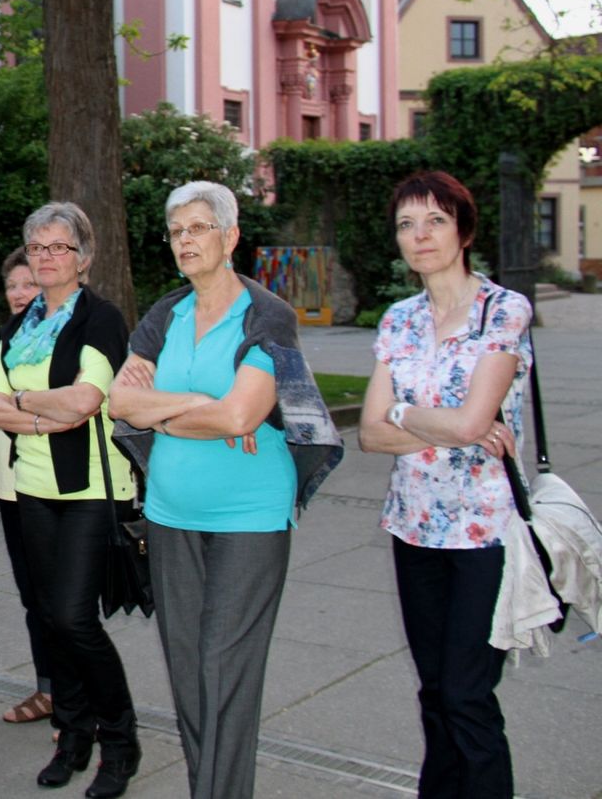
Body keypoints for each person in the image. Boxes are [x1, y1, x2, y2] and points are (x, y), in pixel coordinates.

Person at [109, 180, 339, 799]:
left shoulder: (268, 315)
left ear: (231, 236)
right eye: (177, 230)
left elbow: (242, 417)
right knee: (188, 676)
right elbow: (120, 401)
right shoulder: (166, 314)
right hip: (168, 513)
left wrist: (168, 410)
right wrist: (195, 402)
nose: (186, 240)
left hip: (248, 518)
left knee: (225, 672)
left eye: (199, 227)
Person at [358, 171, 530, 799]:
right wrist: (442, 426)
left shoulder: (502, 310)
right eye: (407, 223)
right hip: (413, 525)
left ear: (462, 228)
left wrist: (405, 414)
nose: (420, 235)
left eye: (434, 219)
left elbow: (468, 421)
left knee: (467, 693)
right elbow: (369, 436)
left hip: (485, 531)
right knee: (435, 690)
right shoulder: (399, 320)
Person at [0, 205, 138, 797]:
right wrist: (40, 413)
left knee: (74, 617)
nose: (46, 257)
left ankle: (119, 742)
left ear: (84, 257)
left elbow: (85, 402)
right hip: (34, 487)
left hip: (91, 488)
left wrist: (23, 405)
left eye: (59, 247)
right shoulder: (22, 326)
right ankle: (73, 737)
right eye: (37, 247)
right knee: (51, 618)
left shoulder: (100, 319)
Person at [0, 248, 53, 727]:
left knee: (57, 599)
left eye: (29, 284)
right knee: (34, 597)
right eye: (13, 286)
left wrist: (15, 409)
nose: (20, 293)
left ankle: (69, 695)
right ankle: (51, 689)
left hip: (43, 486)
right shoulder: (11, 338)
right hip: (10, 490)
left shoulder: (58, 340)